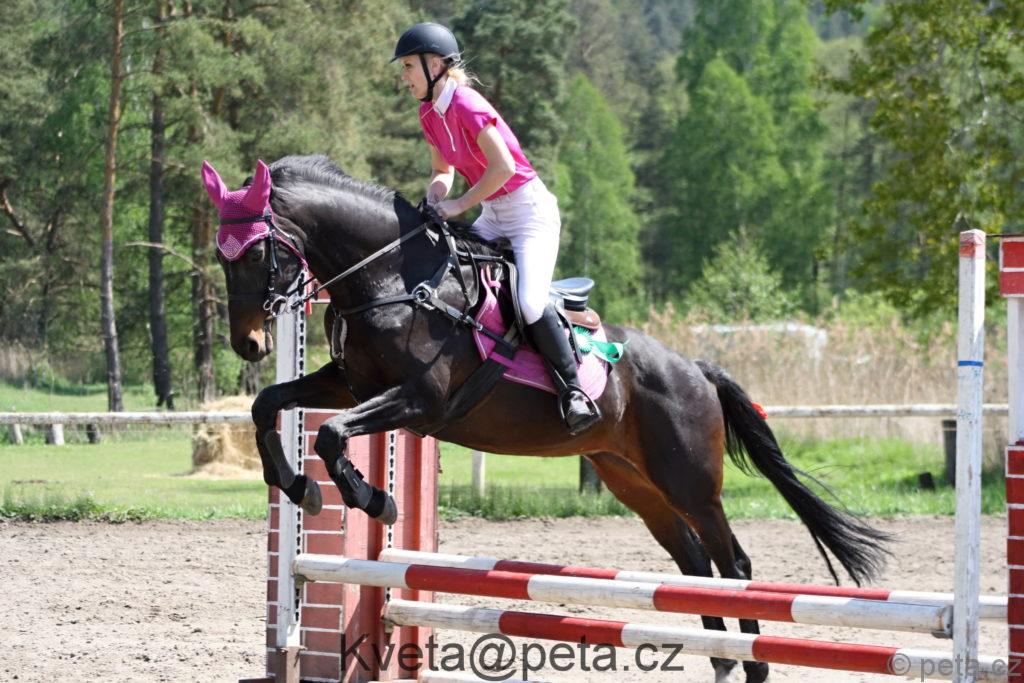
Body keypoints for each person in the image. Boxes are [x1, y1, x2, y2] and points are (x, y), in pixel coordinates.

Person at [392, 22, 601, 436]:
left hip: (529, 213)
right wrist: (434, 198)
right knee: (446, 274)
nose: (405, 77)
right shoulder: (428, 113)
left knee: (529, 303)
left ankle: (574, 392)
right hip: (493, 211)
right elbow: (442, 171)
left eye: (409, 66)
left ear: (435, 65)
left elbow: (503, 168)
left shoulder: (467, 103)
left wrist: (457, 205)